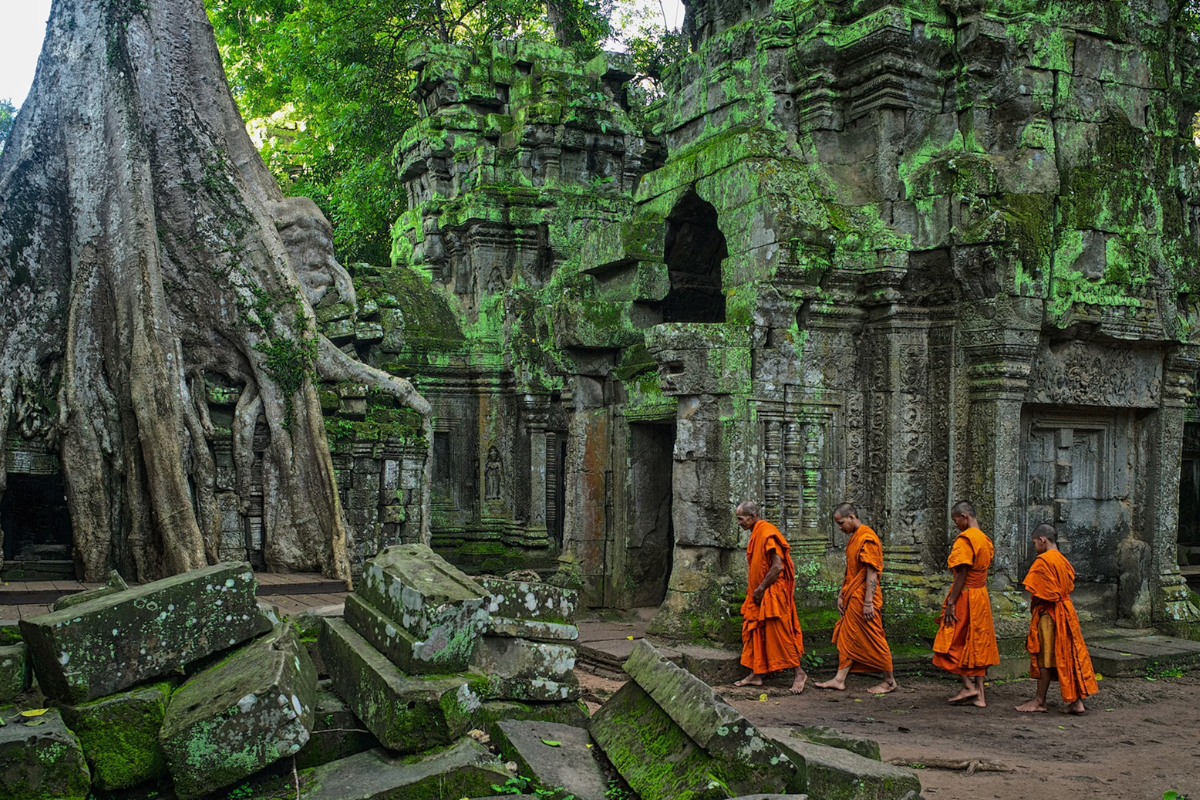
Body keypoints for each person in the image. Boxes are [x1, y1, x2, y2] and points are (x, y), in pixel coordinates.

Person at [1016, 523, 1099, 715]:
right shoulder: (1063, 560)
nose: (1035, 546)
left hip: (1050, 614)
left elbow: (1043, 594)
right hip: (1066, 611)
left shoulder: (1043, 561)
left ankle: (1040, 700)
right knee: (1068, 653)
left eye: (1035, 542)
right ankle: (1076, 702)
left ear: (1043, 540)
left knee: (1044, 656)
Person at [815, 503, 897, 694]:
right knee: (848, 635)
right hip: (853, 594)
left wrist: (868, 602)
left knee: (874, 636)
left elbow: (872, 572)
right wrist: (841, 594)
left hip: (864, 597)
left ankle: (889, 681)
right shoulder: (855, 539)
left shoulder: (867, 538)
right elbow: (851, 570)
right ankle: (839, 679)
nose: (840, 527)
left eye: (841, 523)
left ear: (852, 517)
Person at [732, 501, 808, 694]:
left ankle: (799, 673)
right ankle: (755, 674)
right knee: (753, 632)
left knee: (779, 633)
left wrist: (761, 588)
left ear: (753, 516)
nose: (739, 523)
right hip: (758, 592)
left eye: (740, 519)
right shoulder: (757, 533)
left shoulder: (767, 532)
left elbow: (777, 566)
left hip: (771, 592)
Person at [932, 501, 1000, 707]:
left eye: (956, 520)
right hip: (981, 595)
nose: (956, 525)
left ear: (964, 516)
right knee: (977, 642)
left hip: (966, 595)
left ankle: (968, 686)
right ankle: (979, 694)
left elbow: (962, 572)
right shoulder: (984, 539)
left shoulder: (966, 539)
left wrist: (951, 601)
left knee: (949, 639)